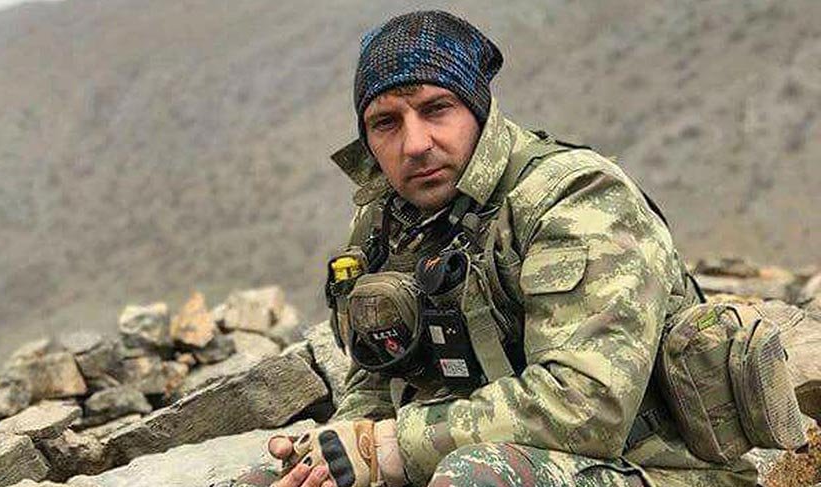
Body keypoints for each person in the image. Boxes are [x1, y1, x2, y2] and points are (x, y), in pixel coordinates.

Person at [228, 10, 760, 487]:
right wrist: (336, 450)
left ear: (479, 112)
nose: (415, 144)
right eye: (386, 123)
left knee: (476, 477)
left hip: (654, 468)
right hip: (478, 457)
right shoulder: (385, 222)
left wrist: (388, 447)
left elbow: (588, 407)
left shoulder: (577, 199)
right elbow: (377, 376)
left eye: (436, 109)